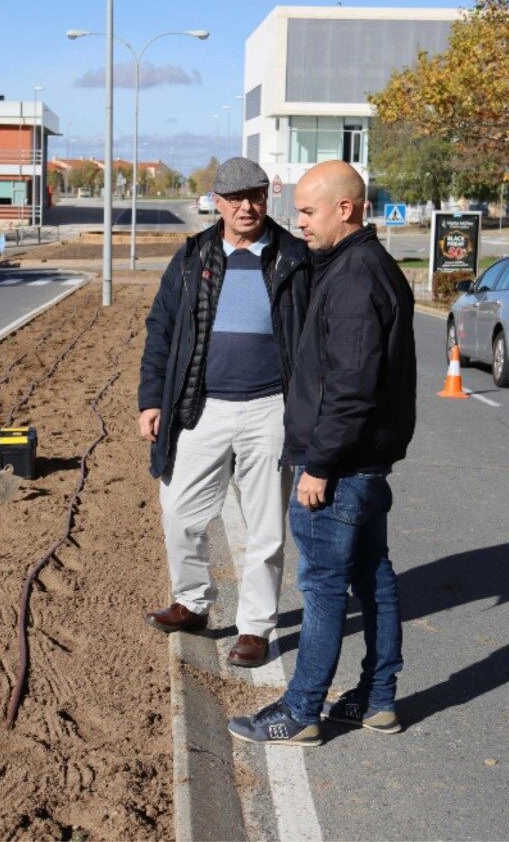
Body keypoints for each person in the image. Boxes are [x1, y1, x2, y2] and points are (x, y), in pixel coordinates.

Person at [228, 160, 417, 744]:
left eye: (307, 211)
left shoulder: (357, 277)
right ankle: (377, 698)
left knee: (324, 587)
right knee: (373, 577)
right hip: (361, 463)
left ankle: (302, 710)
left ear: (346, 208)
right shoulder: (358, 265)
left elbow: (351, 385)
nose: (298, 223)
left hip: (341, 467)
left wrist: (319, 465)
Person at [138, 157, 313, 668]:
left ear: (266, 197)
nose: (246, 206)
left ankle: (255, 627)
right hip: (201, 405)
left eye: (255, 195)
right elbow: (161, 330)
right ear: (216, 202)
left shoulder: (294, 258)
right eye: (235, 197)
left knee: (265, 528)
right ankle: (192, 602)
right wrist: (152, 398)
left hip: (269, 409)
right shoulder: (192, 257)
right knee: (179, 512)